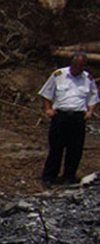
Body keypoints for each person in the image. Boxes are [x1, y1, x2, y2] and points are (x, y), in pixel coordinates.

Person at [38, 52, 98, 187]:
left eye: (83, 66)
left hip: (78, 117)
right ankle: (49, 177)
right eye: (78, 66)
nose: (80, 69)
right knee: (56, 148)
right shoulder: (59, 75)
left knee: (75, 149)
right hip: (60, 116)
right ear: (72, 64)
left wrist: (90, 111)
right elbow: (46, 93)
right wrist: (48, 109)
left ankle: (69, 177)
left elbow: (94, 97)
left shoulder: (87, 78)